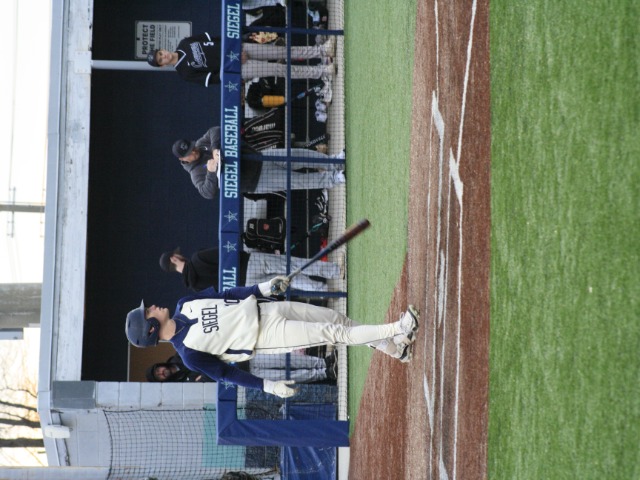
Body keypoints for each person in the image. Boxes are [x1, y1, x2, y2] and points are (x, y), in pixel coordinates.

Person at [125, 277, 419, 398]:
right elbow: (228, 374)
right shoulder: (189, 355)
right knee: (335, 333)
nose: (152, 307)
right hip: (267, 336)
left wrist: (263, 288)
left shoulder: (185, 303)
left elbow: (227, 295)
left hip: (268, 308)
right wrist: (268, 386)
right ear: (150, 329)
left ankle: (395, 349)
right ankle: (398, 327)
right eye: (147, 311)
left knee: (338, 320)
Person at [172, 126, 345, 199]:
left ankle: (335, 162)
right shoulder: (195, 174)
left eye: (192, 148)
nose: (194, 151)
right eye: (190, 153)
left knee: (296, 155)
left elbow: (215, 130)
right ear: (183, 159)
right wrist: (211, 171)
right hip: (255, 181)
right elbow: (207, 193)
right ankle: (334, 178)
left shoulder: (201, 144)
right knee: (297, 180)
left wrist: (215, 148)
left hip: (258, 157)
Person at [147, 32, 335, 87]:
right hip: (239, 67)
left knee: (282, 51)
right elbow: (215, 78)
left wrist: (236, 43)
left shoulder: (185, 42)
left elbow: (215, 37)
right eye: (160, 60)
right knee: (280, 70)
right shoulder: (184, 73)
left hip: (239, 48)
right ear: (162, 66)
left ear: (163, 49)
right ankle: (321, 72)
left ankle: (321, 51)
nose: (164, 56)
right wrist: (234, 62)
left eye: (160, 53)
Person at [159, 247, 341, 293]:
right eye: (176, 254)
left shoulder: (194, 287)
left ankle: (326, 290)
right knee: (292, 265)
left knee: (290, 281)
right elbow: (228, 252)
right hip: (250, 263)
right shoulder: (197, 257)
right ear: (173, 259)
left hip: (248, 285)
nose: (179, 255)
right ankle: (334, 271)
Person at [145, 354, 210, 382]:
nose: (161, 373)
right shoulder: (180, 384)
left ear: (160, 365)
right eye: (158, 376)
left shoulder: (180, 355)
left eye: (158, 370)